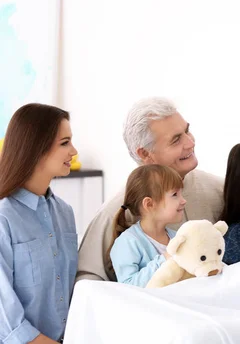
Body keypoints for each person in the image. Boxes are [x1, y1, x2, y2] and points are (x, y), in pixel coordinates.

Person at [76, 98, 224, 282]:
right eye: (176, 139)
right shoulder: (114, 211)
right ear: (145, 154)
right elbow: (87, 280)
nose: (190, 143)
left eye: (187, 131)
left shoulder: (218, 189)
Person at [0, 104, 78, 344]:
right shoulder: (4, 218)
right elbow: (7, 323)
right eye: (65, 143)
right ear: (36, 148)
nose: (74, 151)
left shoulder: (65, 212)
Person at [108, 165, 186, 287]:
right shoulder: (128, 242)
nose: (183, 200)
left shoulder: (177, 237)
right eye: (175, 194)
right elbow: (128, 286)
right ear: (149, 204)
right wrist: (165, 259)